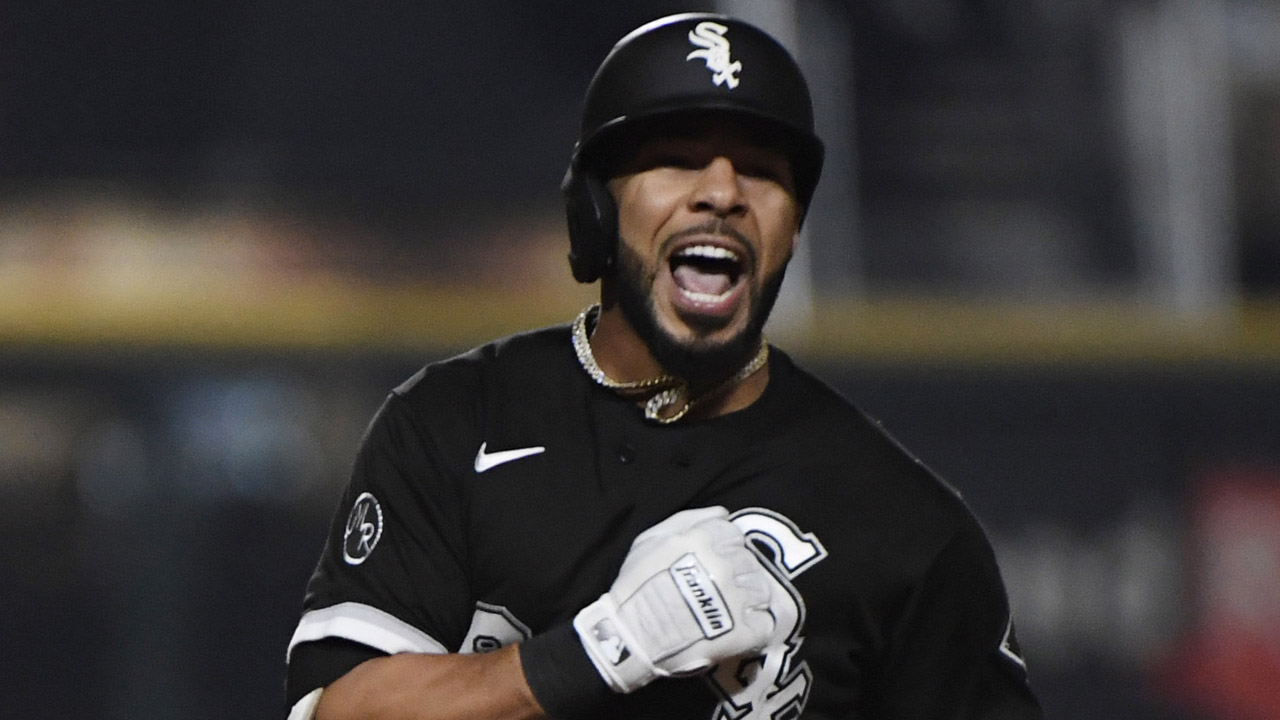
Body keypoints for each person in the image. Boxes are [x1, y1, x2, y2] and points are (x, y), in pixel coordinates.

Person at [284, 12, 1044, 720]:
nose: (722, 193)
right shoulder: (453, 423)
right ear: (596, 211)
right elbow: (339, 711)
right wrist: (605, 647)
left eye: (761, 172)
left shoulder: (904, 526)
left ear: (793, 227)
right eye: (676, 161)